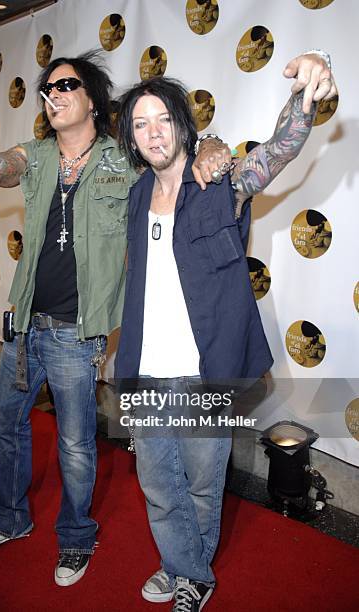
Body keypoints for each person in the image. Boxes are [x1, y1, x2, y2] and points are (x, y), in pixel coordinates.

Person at [0, 51, 229, 587]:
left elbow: (177, 154)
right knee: (4, 425)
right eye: (48, 89)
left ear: (91, 98)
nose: (53, 95)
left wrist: (215, 151)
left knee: (76, 445)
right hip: (25, 322)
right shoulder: (35, 157)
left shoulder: (123, 160)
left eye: (65, 85)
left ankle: (76, 538)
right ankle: (8, 519)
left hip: (75, 334)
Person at [114, 52, 336, 611]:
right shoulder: (138, 195)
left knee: (200, 483)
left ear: (182, 124)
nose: (153, 132)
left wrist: (304, 98)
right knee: (157, 483)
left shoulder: (219, 180)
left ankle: (191, 576)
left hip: (204, 370)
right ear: (132, 136)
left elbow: (277, 152)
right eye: (140, 123)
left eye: (162, 118)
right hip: (147, 369)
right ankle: (182, 566)